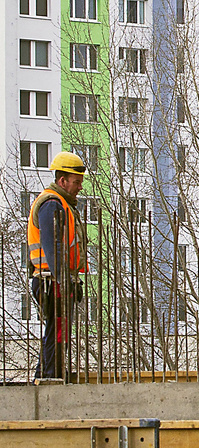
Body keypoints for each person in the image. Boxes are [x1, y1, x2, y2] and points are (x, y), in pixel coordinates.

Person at [27, 151, 87, 380]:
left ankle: (49, 374)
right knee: (58, 332)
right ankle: (50, 376)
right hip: (51, 281)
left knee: (58, 332)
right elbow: (54, 248)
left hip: (55, 280)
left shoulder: (61, 204)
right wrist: (65, 281)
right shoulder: (51, 204)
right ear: (63, 181)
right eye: (76, 182)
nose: (80, 187)